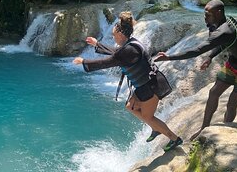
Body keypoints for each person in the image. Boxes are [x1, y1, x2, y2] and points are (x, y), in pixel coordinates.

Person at [73, 11, 183, 152]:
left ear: (120, 34)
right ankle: (155, 128)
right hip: (144, 86)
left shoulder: (129, 49)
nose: (113, 37)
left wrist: (84, 61)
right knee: (130, 106)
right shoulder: (130, 44)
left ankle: (174, 138)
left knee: (148, 116)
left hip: (151, 86)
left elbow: (109, 61)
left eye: (114, 35)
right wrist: (97, 44)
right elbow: (116, 53)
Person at [154, 0, 237, 141]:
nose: (205, 18)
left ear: (218, 13)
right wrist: (211, 56)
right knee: (214, 92)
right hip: (234, 63)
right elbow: (225, 42)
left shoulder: (225, 29)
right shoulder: (222, 22)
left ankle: (225, 134)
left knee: (231, 103)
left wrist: (169, 57)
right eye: (205, 14)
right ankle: (204, 128)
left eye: (208, 15)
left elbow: (196, 50)